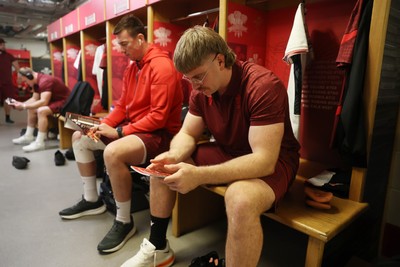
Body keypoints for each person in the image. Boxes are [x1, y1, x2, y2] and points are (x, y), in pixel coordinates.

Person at [121, 26, 301, 267]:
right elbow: (187, 132)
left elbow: (263, 161)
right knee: (163, 166)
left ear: (220, 60)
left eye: (198, 77)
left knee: (240, 199)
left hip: (275, 161)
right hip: (229, 151)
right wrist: (174, 155)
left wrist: (199, 175)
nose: (194, 86)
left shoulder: (262, 86)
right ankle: (158, 247)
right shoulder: (202, 90)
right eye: (189, 79)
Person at [58, 14, 183, 255]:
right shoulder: (131, 67)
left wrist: (118, 131)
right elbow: (123, 106)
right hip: (133, 129)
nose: (121, 50)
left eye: (124, 45)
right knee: (79, 138)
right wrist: (103, 124)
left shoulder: (162, 66)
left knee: (114, 152)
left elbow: (158, 117)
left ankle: (124, 221)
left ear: (139, 38)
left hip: (159, 136)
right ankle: (92, 199)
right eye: (119, 45)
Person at [11, 67, 70, 152]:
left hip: (65, 102)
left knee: (41, 110)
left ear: (30, 76)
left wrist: (24, 106)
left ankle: (39, 142)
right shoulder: (36, 82)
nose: (26, 84)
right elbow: (34, 99)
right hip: (54, 101)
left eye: (26, 81)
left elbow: (43, 102)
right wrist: (21, 104)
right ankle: (28, 136)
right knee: (32, 109)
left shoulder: (45, 81)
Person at [0, 38, 20, 124]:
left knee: (9, 99)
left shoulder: (9, 56)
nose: (4, 46)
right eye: (2, 45)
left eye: (4, 44)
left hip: (7, 82)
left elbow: (17, 67)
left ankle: (7, 117)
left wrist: (19, 77)